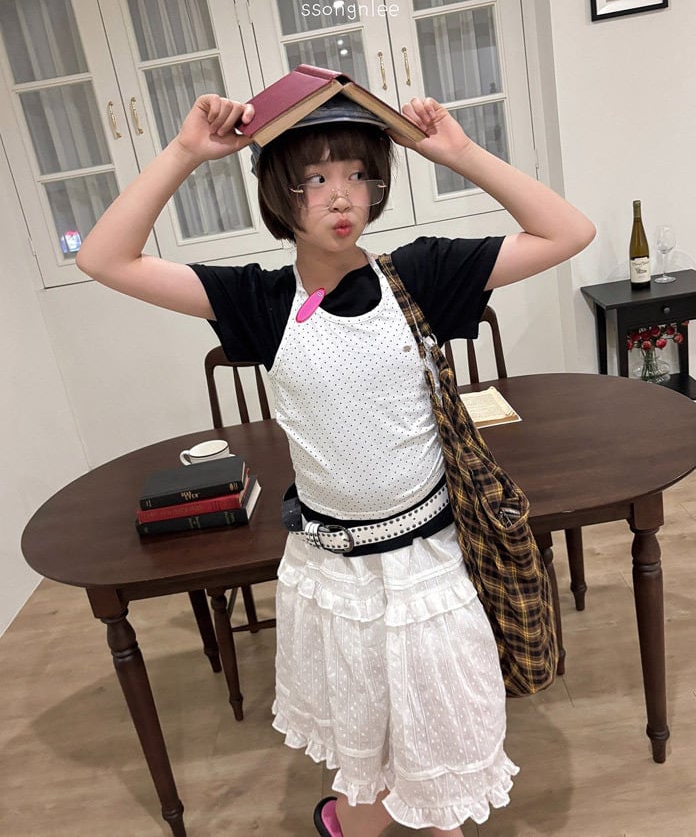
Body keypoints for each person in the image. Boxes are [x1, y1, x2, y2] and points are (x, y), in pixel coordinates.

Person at [76, 86, 595, 837]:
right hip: (334, 574)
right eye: (314, 179)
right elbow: (103, 257)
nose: (341, 197)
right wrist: (186, 151)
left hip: (429, 563)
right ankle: (350, 819)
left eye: (356, 174)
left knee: (440, 737)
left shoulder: (419, 276)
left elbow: (569, 232)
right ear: (277, 193)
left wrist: (456, 152)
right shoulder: (258, 302)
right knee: (365, 747)